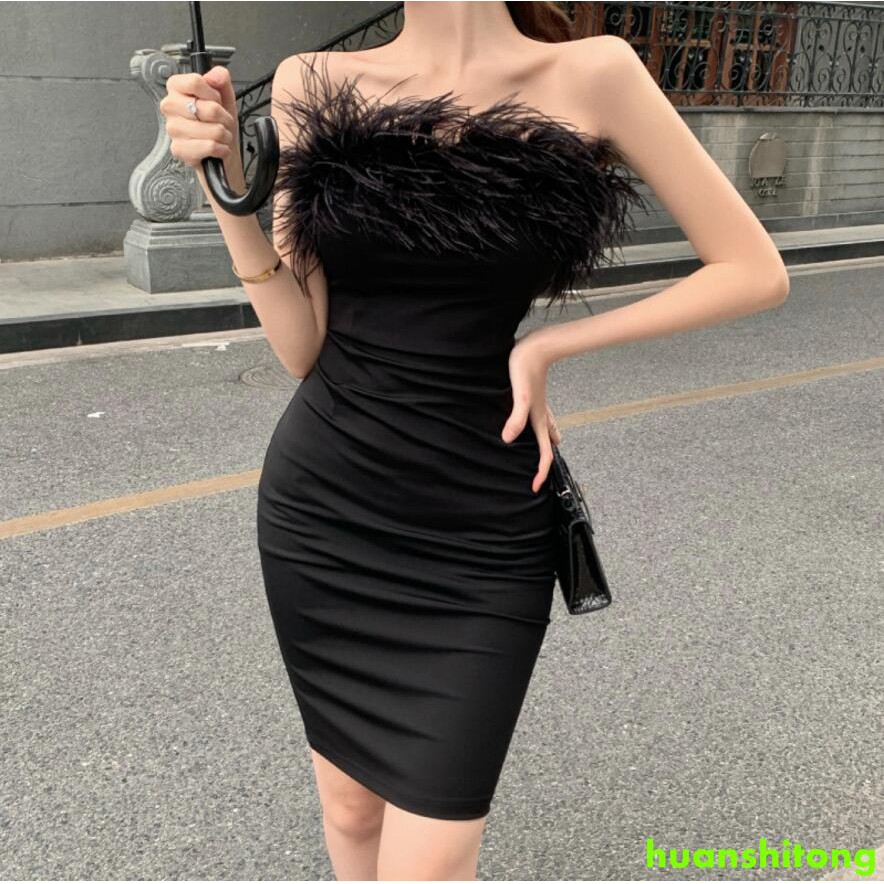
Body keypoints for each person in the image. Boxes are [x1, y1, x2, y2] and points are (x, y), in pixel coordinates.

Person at [160, 2, 790, 879]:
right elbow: (303, 347)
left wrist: (548, 345)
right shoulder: (315, 82)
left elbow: (753, 269)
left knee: (436, 852)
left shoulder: (594, 72)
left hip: (484, 527)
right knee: (348, 808)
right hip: (327, 509)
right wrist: (226, 184)